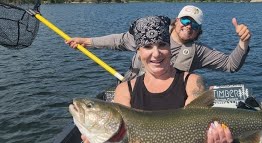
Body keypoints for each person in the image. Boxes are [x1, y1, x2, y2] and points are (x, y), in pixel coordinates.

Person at [81, 15, 233, 143]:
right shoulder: (125, 89)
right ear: (138, 52)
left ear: (170, 47)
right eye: (147, 46)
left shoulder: (192, 81)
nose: (156, 53)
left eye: (162, 45)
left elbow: (195, 124)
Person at [66, 5, 251, 81]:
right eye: (186, 21)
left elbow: (230, 65)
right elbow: (119, 41)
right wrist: (86, 41)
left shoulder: (199, 51)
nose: (188, 27)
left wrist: (243, 43)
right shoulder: (152, 33)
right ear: (176, 21)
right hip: (135, 89)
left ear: (198, 30)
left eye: (194, 24)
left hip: (169, 103)